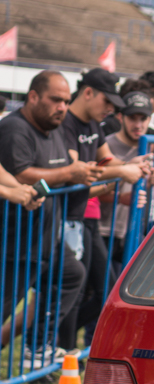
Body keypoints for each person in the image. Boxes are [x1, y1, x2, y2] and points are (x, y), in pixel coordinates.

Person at [0, 71, 97, 366]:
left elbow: (16, 177)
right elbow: (22, 173)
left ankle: (36, 347)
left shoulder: (53, 129)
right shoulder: (14, 128)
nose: (62, 107)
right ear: (33, 97)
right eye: (56, 100)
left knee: (71, 275)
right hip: (15, 243)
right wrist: (17, 190)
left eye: (66, 101)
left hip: (44, 236)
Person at [59, 68, 146, 350]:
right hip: (65, 216)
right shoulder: (66, 123)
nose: (110, 109)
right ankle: (59, 348)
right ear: (88, 93)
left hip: (85, 217)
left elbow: (106, 161)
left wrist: (131, 166)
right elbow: (79, 171)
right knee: (72, 289)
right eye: (106, 101)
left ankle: (61, 347)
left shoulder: (93, 125)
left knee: (104, 290)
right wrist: (123, 171)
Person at [98, 90, 154, 272]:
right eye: (132, 118)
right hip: (103, 229)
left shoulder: (148, 146)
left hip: (131, 231)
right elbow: (92, 189)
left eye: (143, 119)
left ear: (150, 119)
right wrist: (121, 197)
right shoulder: (106, 146)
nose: (138, 124)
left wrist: (152, 181)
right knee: (105, 285)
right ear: (120, 117)